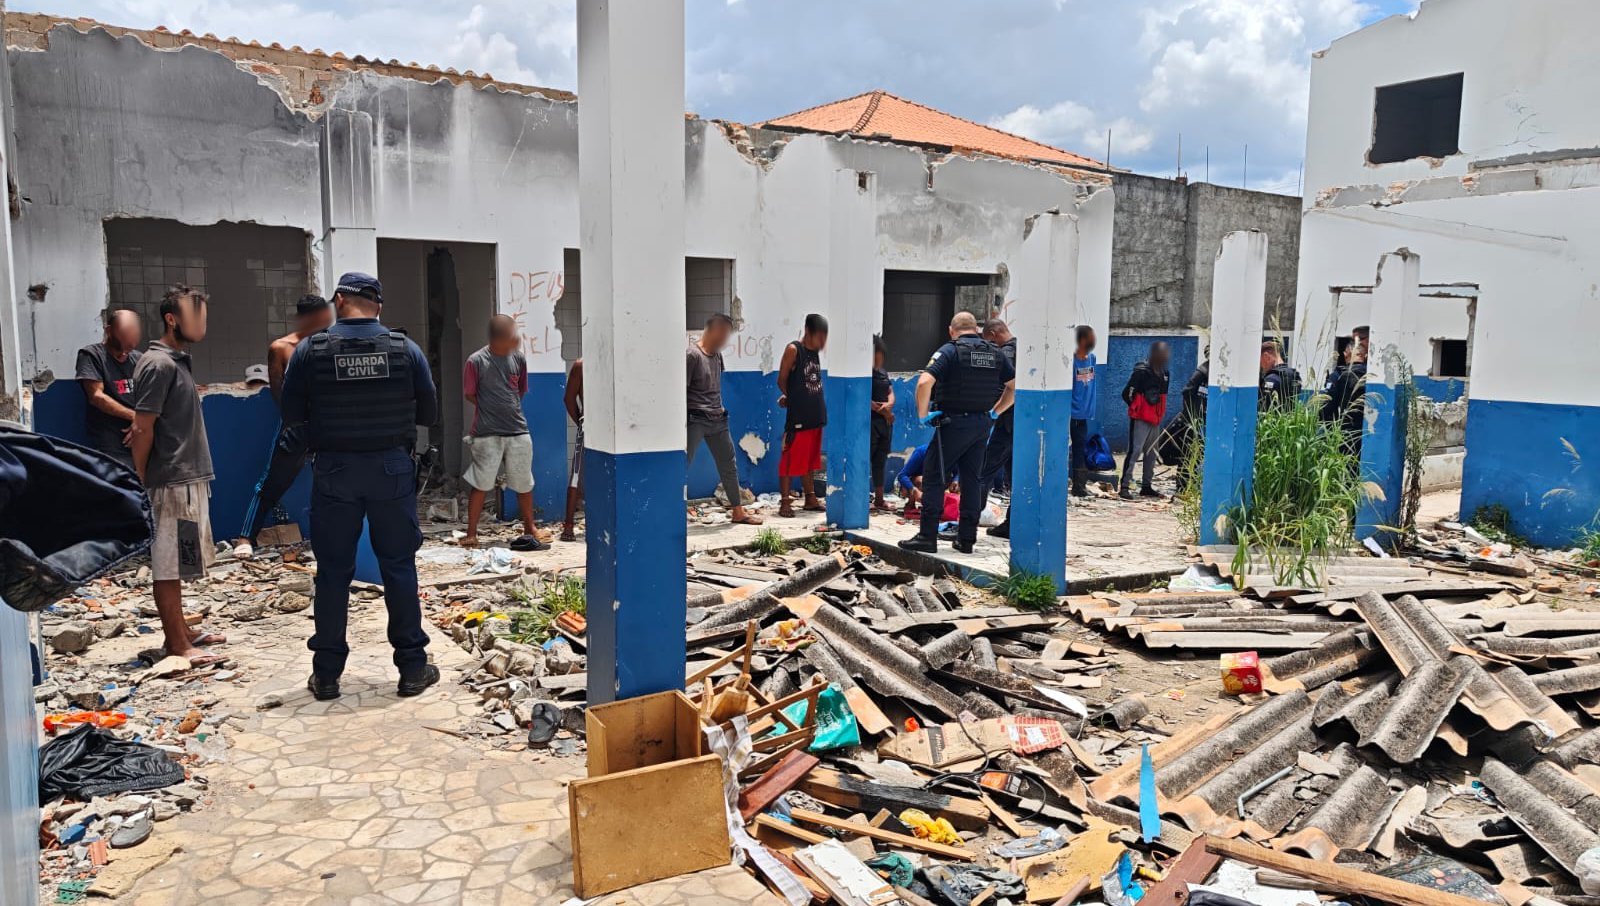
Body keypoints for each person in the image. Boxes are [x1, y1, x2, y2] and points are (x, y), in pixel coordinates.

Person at [280, 272, 440, 701]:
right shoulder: (405, 350)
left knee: (333, 573)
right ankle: (411, 669)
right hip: (391, 469)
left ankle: (327, 675)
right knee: (399, 567)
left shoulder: (310, 351)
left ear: (338, 300)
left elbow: (292, 414)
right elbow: (428, 411)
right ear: (379, 305)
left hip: (334, 471)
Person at [128, 286, 225, 666]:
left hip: (188, 477)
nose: (202, 323)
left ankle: (182, 631)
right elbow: (142, 427)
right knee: (169, 565)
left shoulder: (177, 361)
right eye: (194, 314)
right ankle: (176, 644)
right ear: (172, 318)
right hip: (170, 481)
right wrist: (136, 482)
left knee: (183, 562)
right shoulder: (159, 364)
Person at [899, 312, 1015, 554]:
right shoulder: (995, 353)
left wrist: (922, 416)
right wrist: (995, 412)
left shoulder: (950, 351)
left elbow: (923, 383)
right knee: (973, 479)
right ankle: (966, 539)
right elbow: (1014, 386)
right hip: (982, 425)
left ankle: (927, 536)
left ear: (952, 330)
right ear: (976, 329)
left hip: (952, 424)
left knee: (934, 475)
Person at [233, 294, 334, 558]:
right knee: (272, 481)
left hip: (331, 423)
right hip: (295, 423)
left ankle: (335, 537)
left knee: (337, 480)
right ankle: (246, 538)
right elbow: (279, 391)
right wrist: (293, 424)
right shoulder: (281, 347)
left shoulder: (332, 344)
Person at [461, 315, 542, 549]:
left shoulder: (518, 359)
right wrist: (491, 409)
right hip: (486, 432)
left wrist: (506, 409)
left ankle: (530, 527)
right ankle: (471, 533)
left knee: (523, 481)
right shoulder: (476, 361)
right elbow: (470, 394)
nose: (517, 339)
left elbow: (520, 391)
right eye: (513, 335)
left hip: (518, 430)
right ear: (501, 338)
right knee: (481, 483)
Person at [688, 313, 762, 525]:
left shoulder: (717, 356)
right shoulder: (692, 355)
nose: (724, 340)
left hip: (718, 418)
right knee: (682, 464)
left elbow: (716, 386)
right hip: (696, 418)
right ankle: (669, 511)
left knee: (729, 465)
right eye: (722, 334)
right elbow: (682, 390)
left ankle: (738, 512)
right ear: (711, 331)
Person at [76, 309, 143, 469]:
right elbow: (96, 396)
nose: (124, 353)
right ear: (108, 331)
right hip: (111, 444)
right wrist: (134, 416)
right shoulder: (91, 355)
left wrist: (143, 424)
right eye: (120, 349)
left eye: (129, 349)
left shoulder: (139, 359)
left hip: (142, 438)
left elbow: (153, 396)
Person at [777, 314, 829, 518]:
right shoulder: (793, 350)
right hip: (798, 416)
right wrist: (791, 399)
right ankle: (784, 502)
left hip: (816, 414)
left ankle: (810, 498)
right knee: (789, 459)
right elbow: (782, 380)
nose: (822, 341)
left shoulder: (814, 352)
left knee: (809, 459)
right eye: (819, 336)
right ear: (808, 331)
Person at [1119, 341, 1170, 500]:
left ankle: (1146, 486)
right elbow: (1127, 393)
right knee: (1134, 452)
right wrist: (1137, 408)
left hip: (1155, 420)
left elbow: (1163, 398)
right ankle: (1125, 486)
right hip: (1140, 419)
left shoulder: (1165, 374)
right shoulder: (1141, 372)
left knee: (1152, 454)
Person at [977, 319, 1017, 501]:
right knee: (1014, 471)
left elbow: (1006, 386)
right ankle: (1011, 522)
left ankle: (971, 515)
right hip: (1018, 420)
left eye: (989, 341)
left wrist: (994, 411)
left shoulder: (1006, 352)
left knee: (986, 469)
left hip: (1007, 418)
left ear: (993, 334)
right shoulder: (1021, 347)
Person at [1322, 326, 1369, 457]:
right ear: (1363, 355)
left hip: (1345, 433)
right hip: (1366, 432)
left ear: (1346, 354)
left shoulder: (1340, 375)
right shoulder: (1372, 375)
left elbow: (1326, 408)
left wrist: (1330, 430)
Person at [1070, 325, 1099, 498]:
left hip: (1084, 415)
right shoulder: (1071, 361)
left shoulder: (1092, 359)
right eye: (1091, 337)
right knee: (1071, 449)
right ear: (1082, 340)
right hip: (1071, 414)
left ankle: (1079, 486)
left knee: (1080, 449)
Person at [560, 358, 584, 542]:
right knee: (576, 474)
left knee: (577, 474)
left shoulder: (581, 365)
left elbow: (569, 399)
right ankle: (568, 524)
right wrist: (582, 422)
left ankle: (569, 526)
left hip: (591, 423)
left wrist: (581, 421)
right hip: (595, 424)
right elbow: (568, 399)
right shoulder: (581, 365)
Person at [870, 337, 895, 512]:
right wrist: (884, 412)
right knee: (867, 459)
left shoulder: (883, 372)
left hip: (885, 424)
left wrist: (890, 404)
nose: (880, 359)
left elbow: (890, 391)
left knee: (880, 461)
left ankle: (879, 499)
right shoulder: (864, 373)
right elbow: (864, 399)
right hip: (871, 422)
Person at [1259, 340, 1302, 410]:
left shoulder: (1271, 379)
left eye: (1261, 362)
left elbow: (1265, 408)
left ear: (1266, 356)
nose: (1262, 366)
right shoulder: (1294, 375)